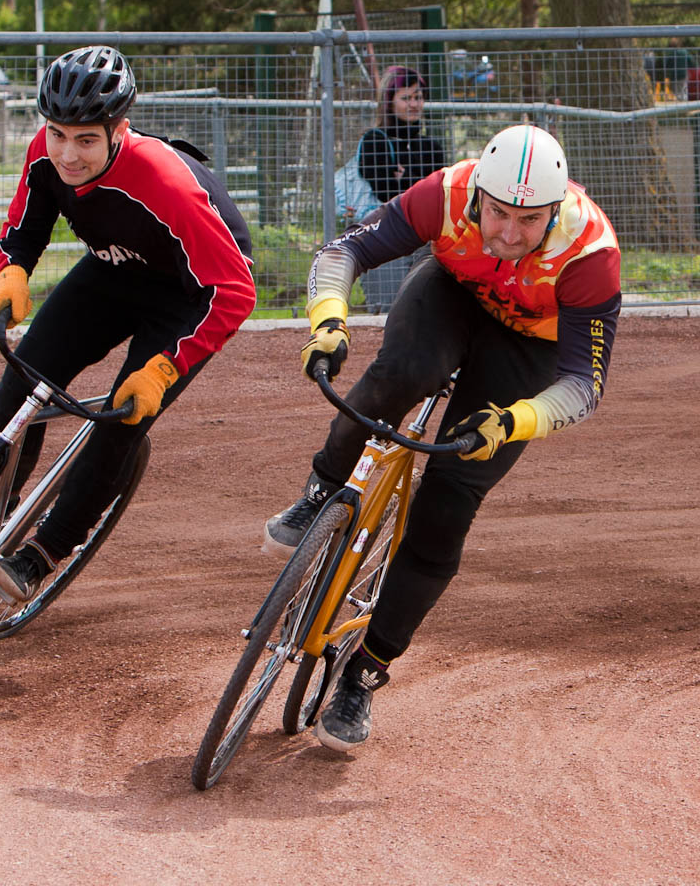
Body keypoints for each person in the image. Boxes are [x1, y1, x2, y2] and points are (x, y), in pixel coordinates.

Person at [263, 124, 621, 752]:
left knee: (449, 501)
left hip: (527, 350)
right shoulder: (449, 192)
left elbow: (582, 386)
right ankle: (321, 489)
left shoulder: (589, 253)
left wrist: (514, 422)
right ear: (480, 193)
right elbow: (341, 253)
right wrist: (327, 322)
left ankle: (363, 674)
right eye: (499, 213)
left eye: (529, 221)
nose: (509, 233)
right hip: (452, 296)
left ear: (556, 212)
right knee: (400, 374)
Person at [0, 45, 257, 603]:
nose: (68, 154)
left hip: (189, 294)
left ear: (118, 130)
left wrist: (164, 366)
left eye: (86, 139)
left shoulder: (165, 183)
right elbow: (25, 227)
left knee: (119, 419)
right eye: (58, 133)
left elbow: (234, 291)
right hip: (115, 268)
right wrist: (10, 270)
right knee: (24, 378)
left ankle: (46, 551)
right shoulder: (46, 152)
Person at [354, 65, 447, 312]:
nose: (414, 104)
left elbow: (437, 196)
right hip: (384, 233)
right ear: (389, 101)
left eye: (418, 97)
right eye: (406, 98)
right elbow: (386, 192)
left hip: (425, 239)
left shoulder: (431, 147)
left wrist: (404, 179)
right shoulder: (374, 141)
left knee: (425, 309)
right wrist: (415, 182)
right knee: (386, 309)